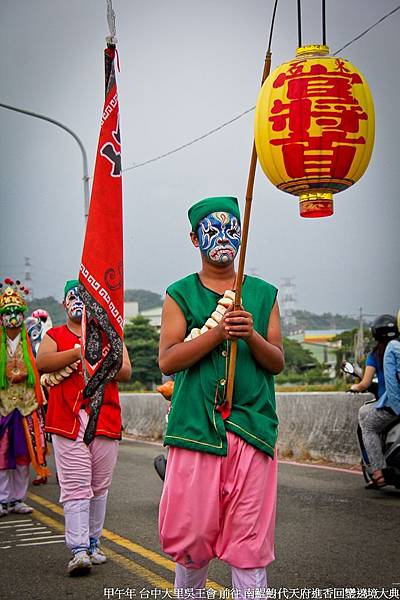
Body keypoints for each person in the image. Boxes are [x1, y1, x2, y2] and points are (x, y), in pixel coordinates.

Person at [158, 197, 284, 597]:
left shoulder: (263, 294)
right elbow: (168, 360)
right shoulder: (179, 294)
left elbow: (276, 361)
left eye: (231, 228)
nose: (222, 237)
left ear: (241, 235)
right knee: (192, 541)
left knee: (249, 542)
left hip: (252, 428)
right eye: (211, 230)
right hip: (196, 428)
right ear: (194, 238)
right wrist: (217, 334)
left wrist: (251, 335)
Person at [36, 280, 132, 575]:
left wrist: (102, 356)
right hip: (68, 419)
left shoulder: (110, 335)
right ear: (64, 303)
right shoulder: (55, 335)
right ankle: (78, 549)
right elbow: (42, 362)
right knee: (76, 486)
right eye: (72, 297)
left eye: (84, 297)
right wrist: (78, 352)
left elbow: (126, 371)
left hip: (104, 418)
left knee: (99, 486)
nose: (78, 302)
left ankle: (93, 542)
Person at [0, 278, 50, 517]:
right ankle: (2, 499)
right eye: (8, 313)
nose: (12, 317)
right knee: (2, 455)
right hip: (3, 406)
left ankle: (18, 498)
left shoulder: (32, 340)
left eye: (16, 312)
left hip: (27, 406)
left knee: (23, 455)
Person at [358, 314, 400, 487]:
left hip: (391, 403)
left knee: (368, 425)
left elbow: (366, 383)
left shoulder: (379, 354)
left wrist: (356, 387)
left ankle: (378, 471)